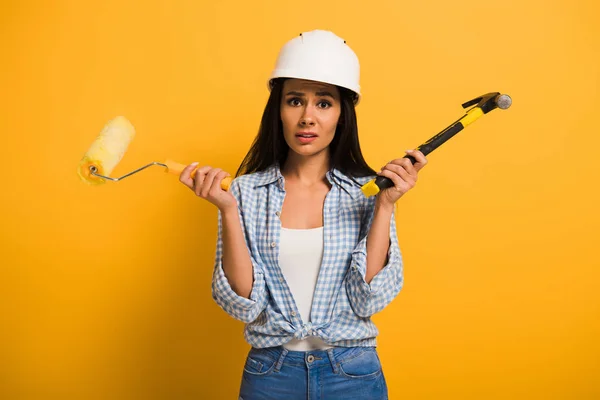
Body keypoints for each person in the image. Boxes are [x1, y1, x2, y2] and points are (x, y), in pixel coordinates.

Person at [179, 30, 427, 400]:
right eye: (295, 101)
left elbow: (368, 299)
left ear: (343, 115)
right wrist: (229, 210)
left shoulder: (369, 193)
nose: (307, 117)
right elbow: (245, 303)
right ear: (278, 110)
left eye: (324, 104)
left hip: (352, 373)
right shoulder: (245, 192)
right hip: (271, 374)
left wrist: (386, 205)